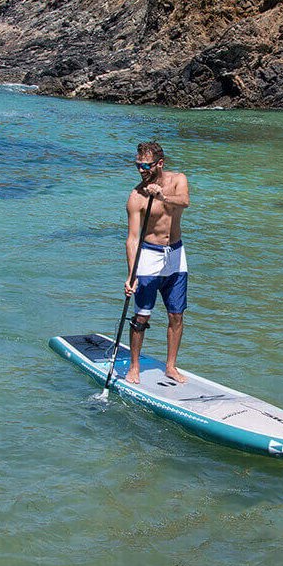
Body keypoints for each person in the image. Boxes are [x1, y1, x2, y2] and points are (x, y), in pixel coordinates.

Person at [124, 141, 191, 384]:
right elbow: (132, 239)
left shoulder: (178, 180)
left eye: (146, 165)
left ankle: (171, 367)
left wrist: (162, 196)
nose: (141, 170)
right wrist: (131, 274)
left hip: (175, 254)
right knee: (142, 315)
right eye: (138, 165)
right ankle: (134, 366)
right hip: (149, 255)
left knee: (177, 314)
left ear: (160, 163)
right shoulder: (136, 197)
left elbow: (184, 201)